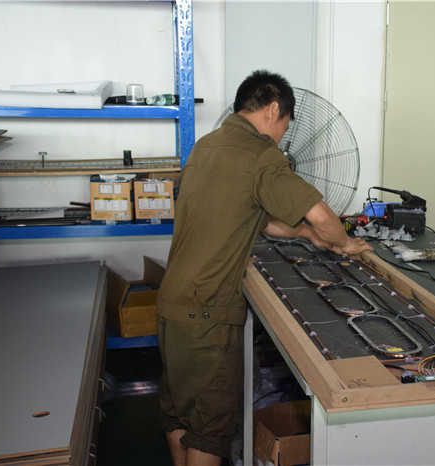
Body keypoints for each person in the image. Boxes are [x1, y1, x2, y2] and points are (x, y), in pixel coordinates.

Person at [156, 69, 371, 466]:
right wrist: (344, 242)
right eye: (285, 126)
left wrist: (308, 235)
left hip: (171, 306)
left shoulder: (207, 145)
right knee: (210, 431)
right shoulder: (260, 153)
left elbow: (257, 217)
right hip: (207, 314)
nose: (283, 138)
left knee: (178, 413)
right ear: (274, 109)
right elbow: (323, 214)